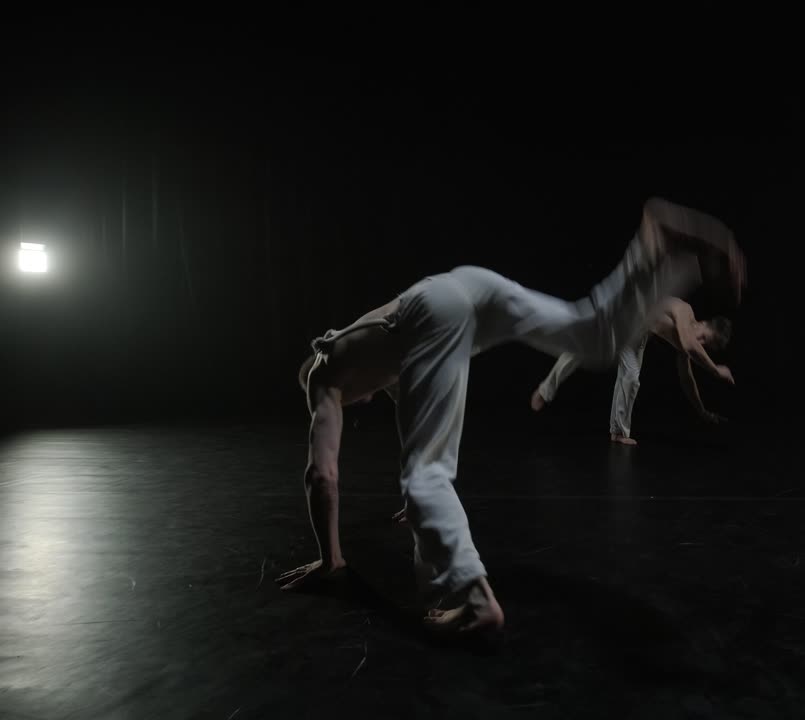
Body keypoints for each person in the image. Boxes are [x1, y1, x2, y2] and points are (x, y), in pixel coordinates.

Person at [274, 197, 746, 638]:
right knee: (592, 335)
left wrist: (330, 560)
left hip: (431, 312)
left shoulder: (321, 375)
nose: (360, 404)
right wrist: (421, 502)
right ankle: (651, 248)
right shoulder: (366, 359)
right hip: (465, 283)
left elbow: (322, 475)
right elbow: (415, 411)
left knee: (425, 477)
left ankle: (478, 602)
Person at [529, 298, 735, 444]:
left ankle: (618, 432)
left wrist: (701, 410)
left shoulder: (688, 345)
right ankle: (546, 390)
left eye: (706, 345)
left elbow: (686, 379)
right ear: (703, 323)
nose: (701, 343)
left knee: (631, 377)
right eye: (705, 337)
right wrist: (715, 370)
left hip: (638, 335)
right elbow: (690, 343)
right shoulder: (684, 310)